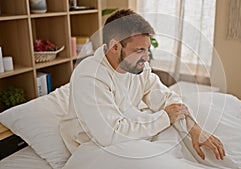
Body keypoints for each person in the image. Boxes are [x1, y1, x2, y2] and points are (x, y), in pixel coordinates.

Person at [60, 9, 225, 164]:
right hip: (97, 146)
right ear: (115, 46)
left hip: (129, 131)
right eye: (139, 50)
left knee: (182, 139)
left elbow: (165, 97)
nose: (146, 58)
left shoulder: (138, 67)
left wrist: (193, 128)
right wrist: (164, 118)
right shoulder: (90, 76)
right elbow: (110, 135)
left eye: (147, 49)